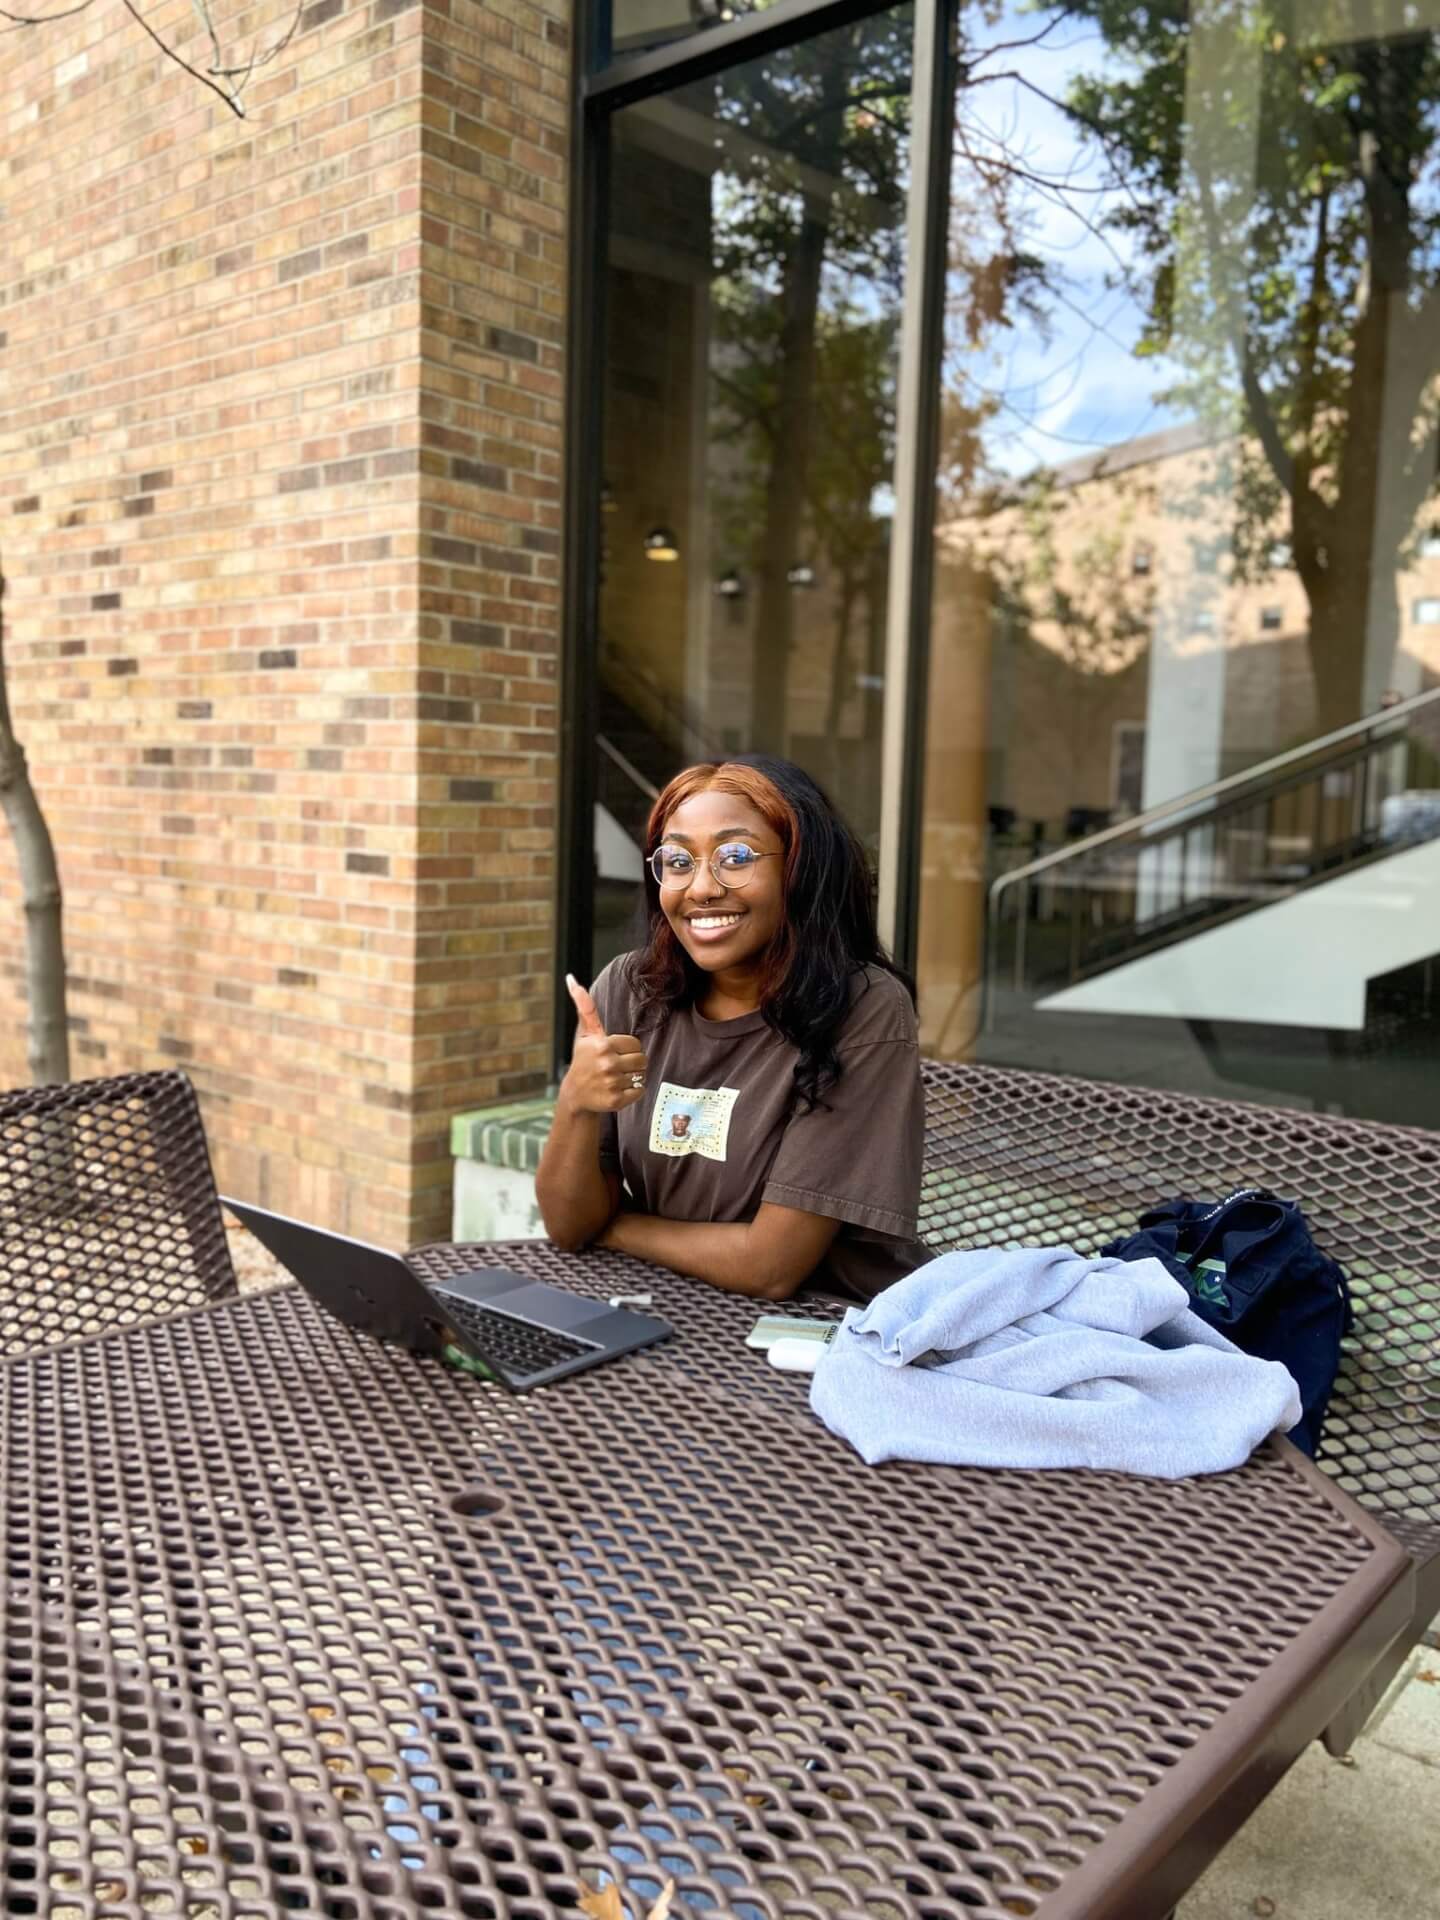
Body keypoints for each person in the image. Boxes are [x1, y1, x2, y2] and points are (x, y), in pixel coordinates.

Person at [535, 754, 930, 1302]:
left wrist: (616, 1227)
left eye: (735, 856)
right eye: (677, 860)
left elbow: (771, 1267)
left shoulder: (863, 1009)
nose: (701, 888)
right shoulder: (631, 990)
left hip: (825, 1332)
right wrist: (575, 1105)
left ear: (801, 867)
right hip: (665, 1305)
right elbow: (567, 1226)